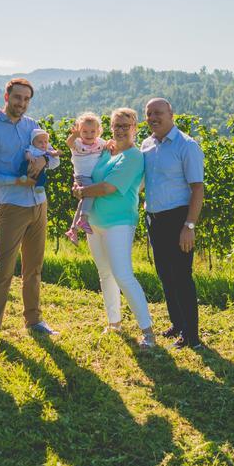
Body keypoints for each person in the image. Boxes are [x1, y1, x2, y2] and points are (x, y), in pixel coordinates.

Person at [0, 78, 60, 347]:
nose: (21, 103)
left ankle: (34, 320)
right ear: (6, 96)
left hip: (38, 203)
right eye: (17, 97)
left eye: (26, 99)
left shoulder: (33, 126)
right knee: (4, 268)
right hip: (11, 206)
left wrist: (45, 159)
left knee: (34, 268)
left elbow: (54, 159)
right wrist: (15, 180)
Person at [73, 108, 156, 348]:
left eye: (125, 125)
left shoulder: (133, 157)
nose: (120, 130)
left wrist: (81, 192)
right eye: (116, 125)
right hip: (95, 222)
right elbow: (87, 173)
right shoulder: (106, 152)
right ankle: (114, 323)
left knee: (122, 274)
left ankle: (148, 331)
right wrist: (77, 184)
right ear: (110, 128)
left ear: (135, 128)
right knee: (105, 274)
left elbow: (108, 187)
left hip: (119, 222)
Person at [141, 98, 205, 349]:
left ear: (171, 114)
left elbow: (197, 188)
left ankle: (192, 336)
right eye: (149, 113)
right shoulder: (146, 145)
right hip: (155, 219)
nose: (153, 117)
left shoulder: (186, 145)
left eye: (158, 112)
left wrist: (189, 226)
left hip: (178, 218)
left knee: (182, 277)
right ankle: (177, 325)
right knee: (165, 275)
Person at [64, 111, 107, 243]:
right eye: (84, 131)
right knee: (91, 194)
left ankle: (73, 229)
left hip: (92, 177)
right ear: (79, 132)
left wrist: (110, 144)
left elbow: (108, 145)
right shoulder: (77, 144)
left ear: (98, 131)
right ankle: (83, 220)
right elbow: (68, 143)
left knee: (84, 200)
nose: (89, 135)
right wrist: (74, 135)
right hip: (82, 176)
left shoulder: (100, 142)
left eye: (92, 131)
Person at [18, 128, 58, 195]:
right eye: (40, 142)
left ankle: (39, 186)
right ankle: (23, 175)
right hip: (30, 163)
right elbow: (27, 153)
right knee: (24, 164)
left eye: (45, 142)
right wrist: (30, 156)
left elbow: (54, 157)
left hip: (40, 170)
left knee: (43, 176)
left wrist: (55, 153)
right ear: (33, 142)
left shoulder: (46, 150)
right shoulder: (32, 148)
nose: (43, 144)